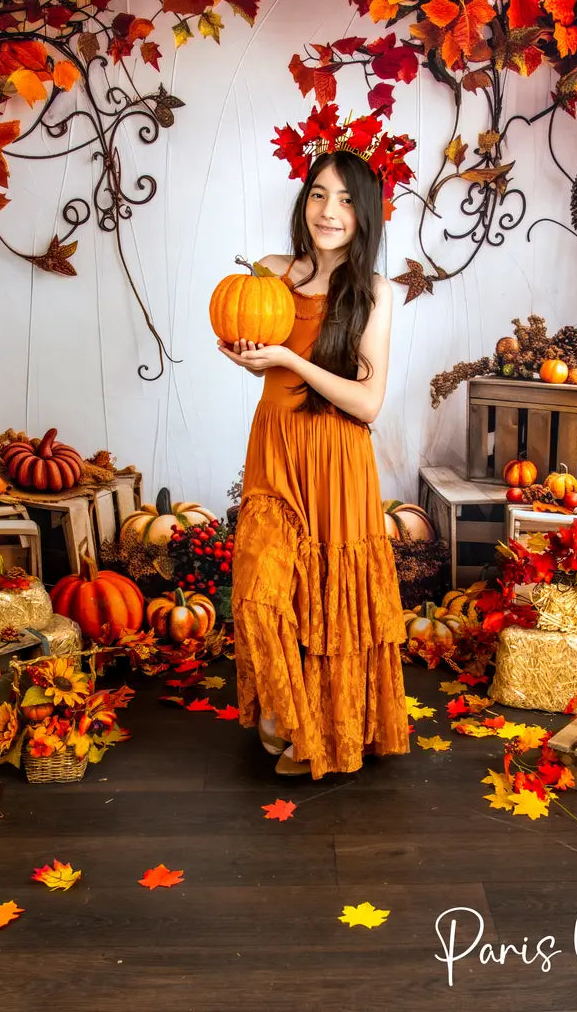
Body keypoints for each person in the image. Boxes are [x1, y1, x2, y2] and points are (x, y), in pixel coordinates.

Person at [217, 147, 410, 778]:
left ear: (366, 215)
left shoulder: (374, 292)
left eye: (348, 200)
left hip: (337, 458)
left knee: (329, 599)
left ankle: (318, 733)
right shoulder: (272, 273)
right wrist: (246, 355)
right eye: (320, 194)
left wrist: (290, 362)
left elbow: (369, 402)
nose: (330, 211)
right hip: (275, 451)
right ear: (305, 202)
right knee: (260, 589)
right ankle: (287, 712)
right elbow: (256, 344)